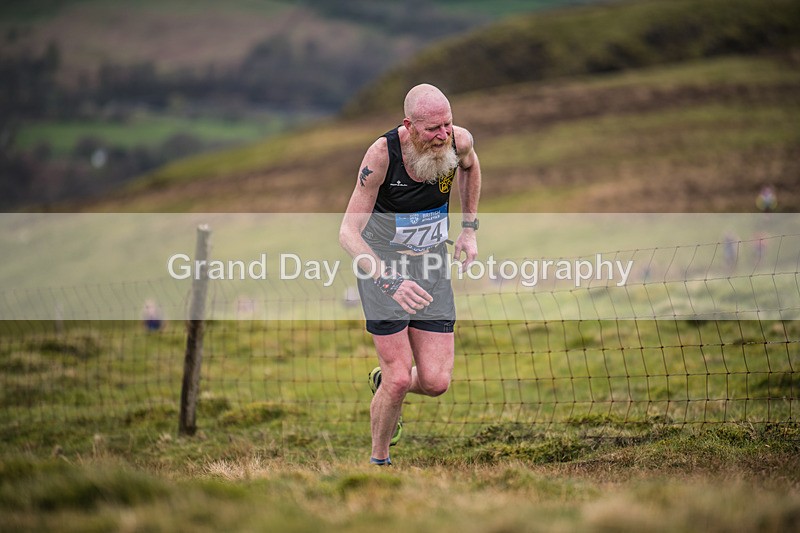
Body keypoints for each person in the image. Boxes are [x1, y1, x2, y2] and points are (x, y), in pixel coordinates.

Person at [339, 83, 481, 465]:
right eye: (432, 128)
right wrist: (388, 279)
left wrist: (469, 228)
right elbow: (348, 233)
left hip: (431, 264)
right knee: (400, 378)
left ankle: (382, 384)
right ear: (409, 125)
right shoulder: (381, 155)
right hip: (382, 266)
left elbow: (471, 167)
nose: (442, 135)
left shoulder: (457, 141)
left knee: (435, 382)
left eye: (447, 125)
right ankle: (379, 461)